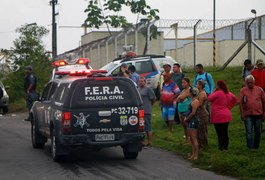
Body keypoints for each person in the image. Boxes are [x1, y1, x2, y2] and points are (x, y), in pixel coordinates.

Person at [208, 80, 237, 150]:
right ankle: (225, 146)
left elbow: (209, 98)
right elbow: (235, 99)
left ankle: (220, 146)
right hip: (226, 114)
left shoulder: (217, 93)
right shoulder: (228, 93)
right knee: (225, 132)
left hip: (218, 116)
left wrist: (214, 91)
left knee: (219, 132)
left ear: (218, 86)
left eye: (216, 85)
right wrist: (230, 107)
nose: (215, 86)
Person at [239, 75, 265, 149]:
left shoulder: (260, 90)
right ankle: (250, 147)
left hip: (258, 114)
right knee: (249, 132)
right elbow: (240, 102)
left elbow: (264, 101)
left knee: (258, 132)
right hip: (248, 114)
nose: (250, 84)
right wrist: (242, 114)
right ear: (246, 83)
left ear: (254, 82)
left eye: (251, 82)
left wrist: (264, 113)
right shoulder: (243, 90)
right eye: (248, 83)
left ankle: (256, 146)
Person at [138, 77, 156, 147]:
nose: (140, 82)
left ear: (145, 82)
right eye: (139, 81)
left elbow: (153, 99)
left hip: (147, 110)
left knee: (148, 127)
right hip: (140, 111)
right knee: (141, 127)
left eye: (142, 81)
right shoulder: (138, 89)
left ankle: (150, 142)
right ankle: (142, 141)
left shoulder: (148, 89)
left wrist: (150, 105)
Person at [184, 88, 200, 160]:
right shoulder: (193, 101)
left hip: (193, 120)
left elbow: (193, 113)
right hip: (191, 121)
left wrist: (187, 119)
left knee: (194, 138)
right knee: (192, 139)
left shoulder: (195, 101)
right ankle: (193, 154)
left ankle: (196, 155)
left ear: (191, 93)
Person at [177, 77, 192, 143]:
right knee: (184, 126)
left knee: (187, 125)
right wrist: (180, 98)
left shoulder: (190, 90)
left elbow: (181, 97)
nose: (182, 84)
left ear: (188, 83)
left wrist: (180, 98)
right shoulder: (183, 90)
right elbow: (178, 99)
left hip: (187, 110)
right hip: (181, 110)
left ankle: (189, 139)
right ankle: (186, 139)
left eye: (184, 82)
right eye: (182, 83)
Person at [196, 80, 209, 149]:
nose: (196, 85)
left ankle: (203, 144)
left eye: (197, 84)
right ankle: (201, 143)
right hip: (200, 113)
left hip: (202, 114)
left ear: (200, 86)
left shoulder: (202, 93)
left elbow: (199, 104)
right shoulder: (200, 92)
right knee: (201, 129)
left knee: (202, 129)